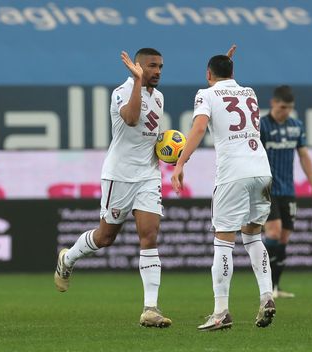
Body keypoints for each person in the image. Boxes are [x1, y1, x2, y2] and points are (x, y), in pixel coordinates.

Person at [53, 48, 172, 328]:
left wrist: (168, 152)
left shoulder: (160, 97)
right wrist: (138, 83)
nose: (157, 71)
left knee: (150, 236)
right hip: (119, 175)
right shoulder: (122, 91)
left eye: (161, 67)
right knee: (106, 238)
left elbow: (148, 136)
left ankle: (150, 309)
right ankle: (67, 259)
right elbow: (131, 119)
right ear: (138, 67)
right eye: (152, 66)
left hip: (148, 175)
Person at [171, 52, 276, 331]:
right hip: (262, 170)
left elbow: (199, 127)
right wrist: (224, 64)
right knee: (253, 237)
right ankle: (267, 295)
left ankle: (221, 312)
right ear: (232, 70)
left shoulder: (205, 94)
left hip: (233, 174)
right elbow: (228, 87)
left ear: (208, 74)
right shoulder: (250, 92)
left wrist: (180, 162)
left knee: (223, 241)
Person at [260, 85, 312, 298]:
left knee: (284, 238)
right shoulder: (261, 126)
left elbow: (304, 155)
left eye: (289, 108)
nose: (285, 111)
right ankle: (265, 284)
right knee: (274, 232)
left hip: (288, 190)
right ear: (273, 103)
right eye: (282, 107)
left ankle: (275, 287)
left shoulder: (296, 126)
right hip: (265, 189)